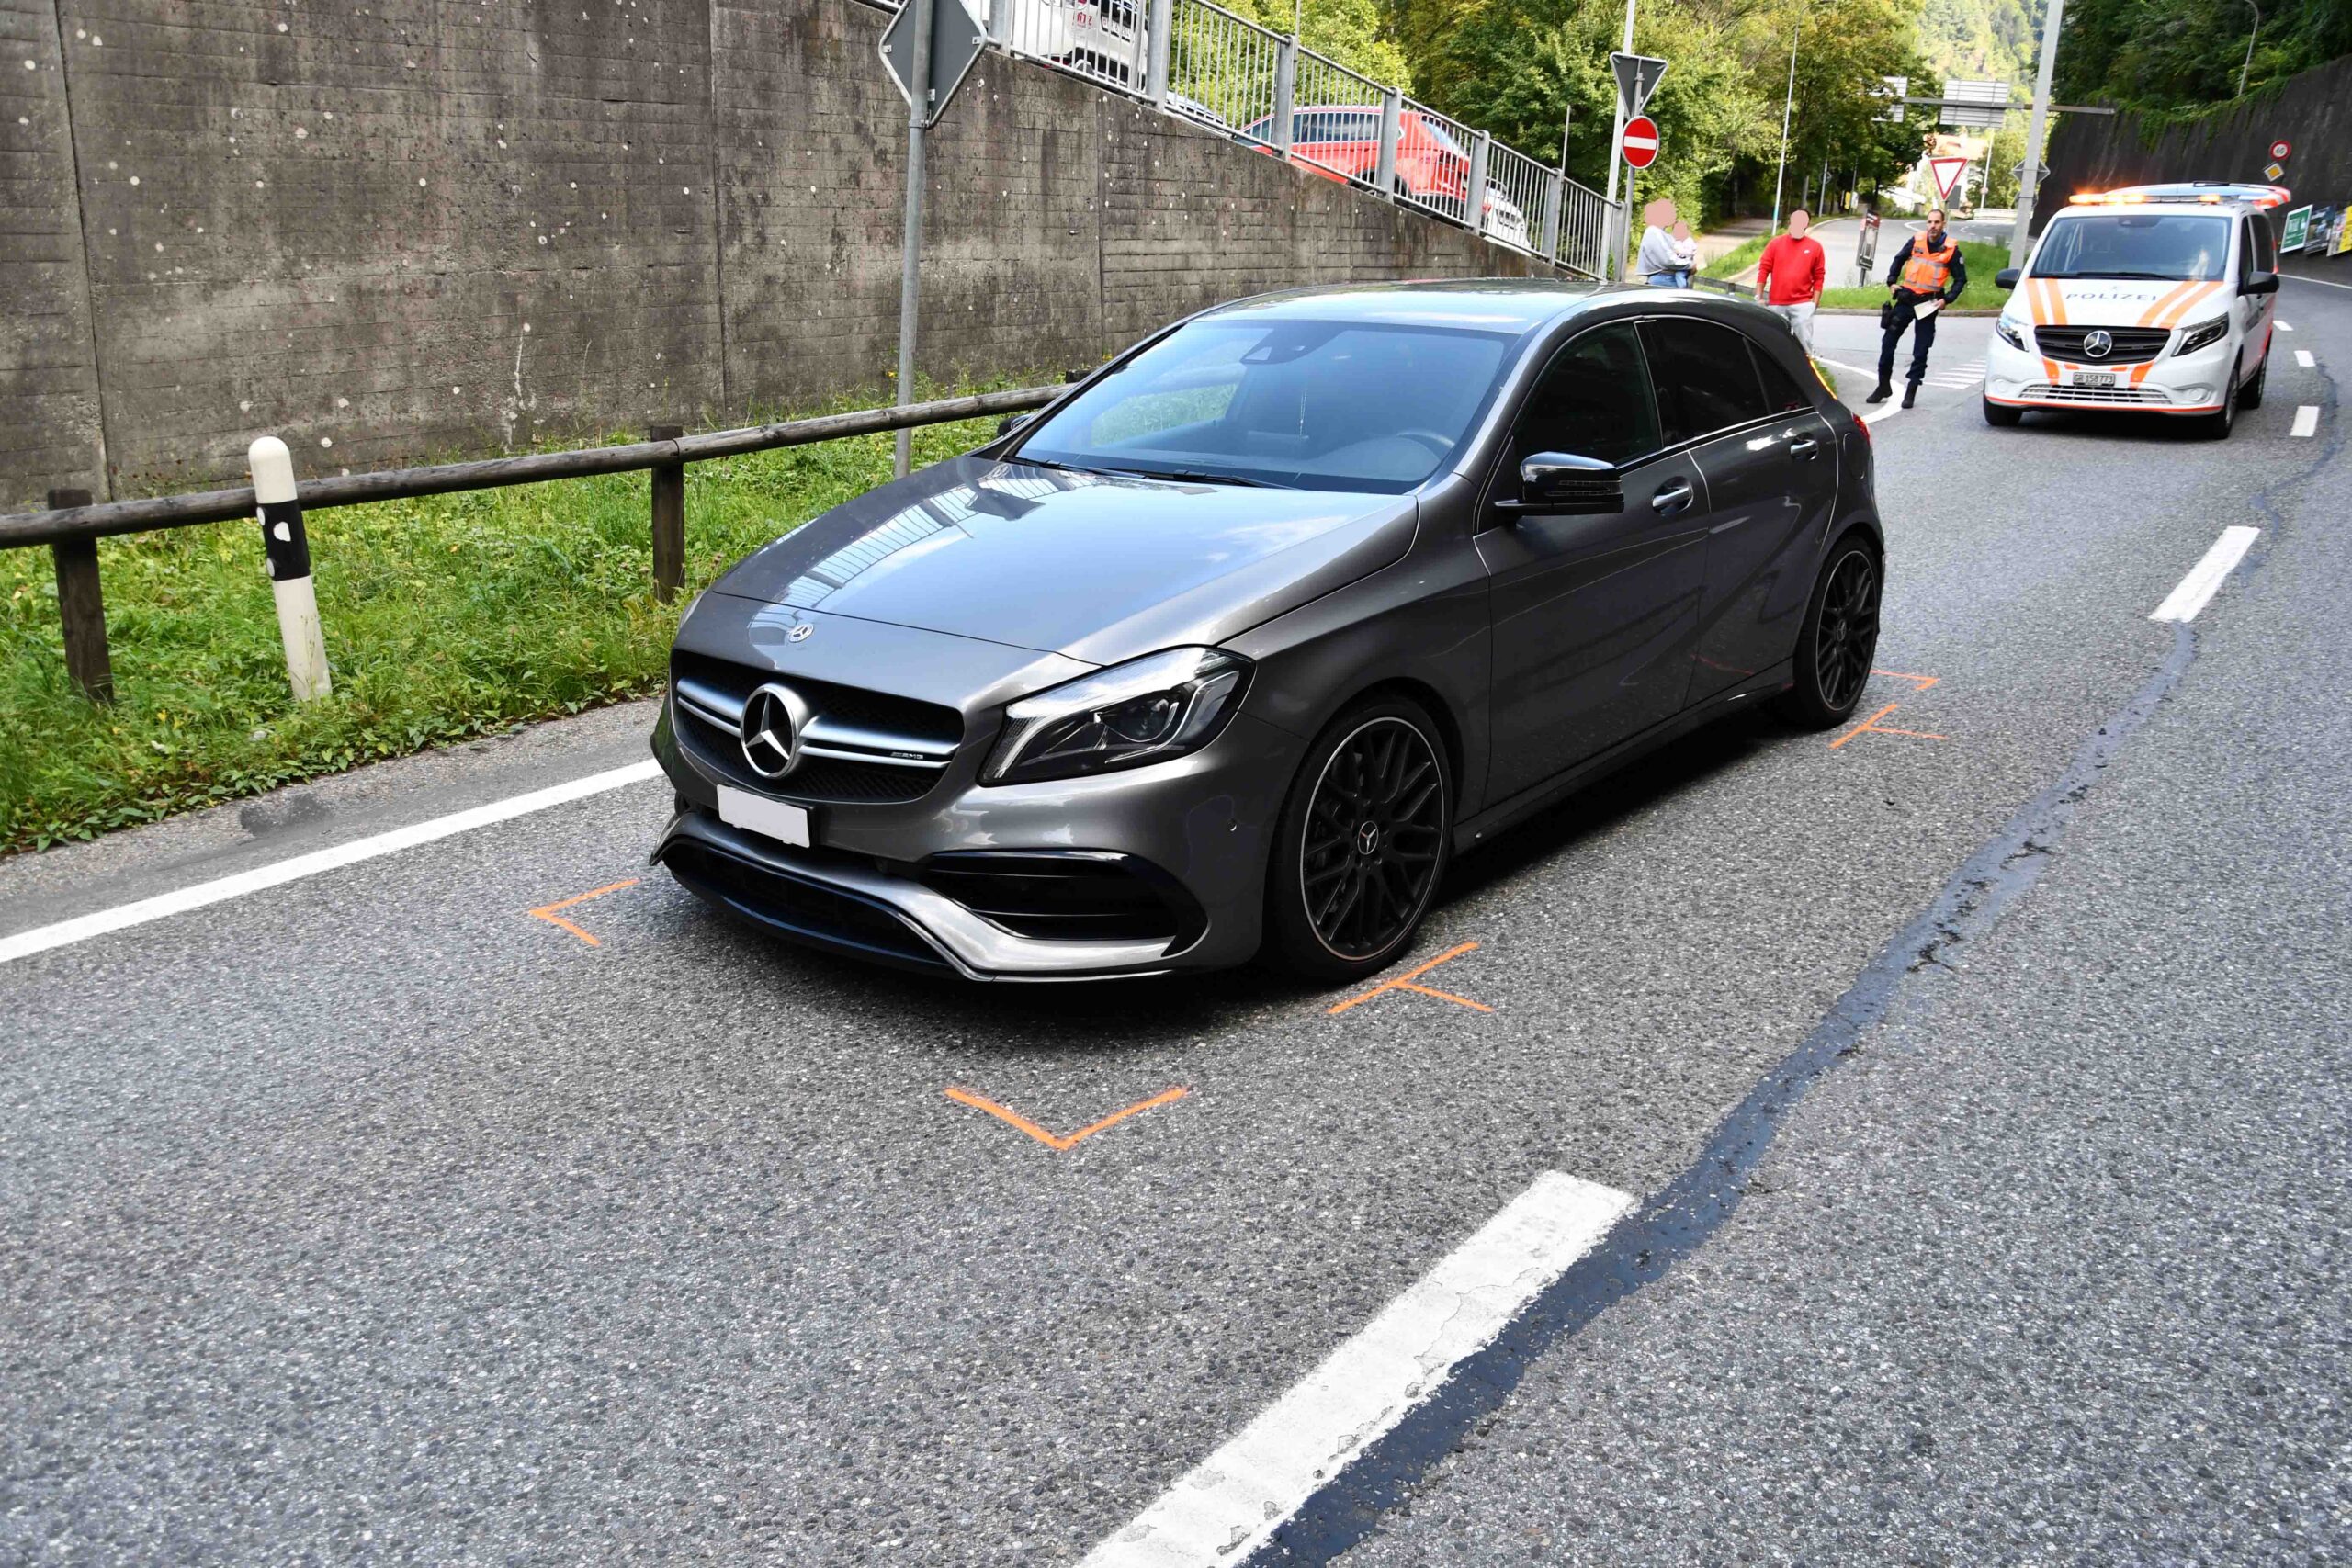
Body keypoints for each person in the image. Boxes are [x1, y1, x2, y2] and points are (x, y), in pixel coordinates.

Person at [1871, 208, 1966, 407]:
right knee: (1888, 342)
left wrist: (1947, 299)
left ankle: (1911, 390)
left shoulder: (1951, 249)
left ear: (1943, 224)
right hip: (1906, 299)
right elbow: (1899, 259)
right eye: (1930, 222)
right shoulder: (1916, 240)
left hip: (1928, 304)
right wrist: (1891, 281)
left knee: (1921, 350)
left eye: (1937, 222)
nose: (1933, 226)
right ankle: (1883, 386)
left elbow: (1960, 279)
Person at [1756, 209, 1826, 350]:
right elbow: (1764, 269)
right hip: (1777, 302)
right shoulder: (1775, 244)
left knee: (1804, 343)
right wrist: (1759, 296)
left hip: (1802, 303)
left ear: (1807, 224)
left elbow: (1819, 275)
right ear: (1790, 222)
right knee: (1774, 342)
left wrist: (1815, 302)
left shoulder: (1815, 247)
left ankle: (1805, 362)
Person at [1635, 197, 1681, 287]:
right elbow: (1668, 260)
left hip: (1665, 277)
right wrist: (1689, 266)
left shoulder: (1662, 233)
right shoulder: (1654, 232)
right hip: (1664, 278)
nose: (1675, 215)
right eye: (1672, 212)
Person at [1669, 220, 1699, 287]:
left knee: (1679, 275)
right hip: (1675, 264)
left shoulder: (1688, 241)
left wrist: (1679, 251)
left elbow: (1690, 252)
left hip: (1685, 265)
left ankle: (1682, 289)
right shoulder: (1674, 240)